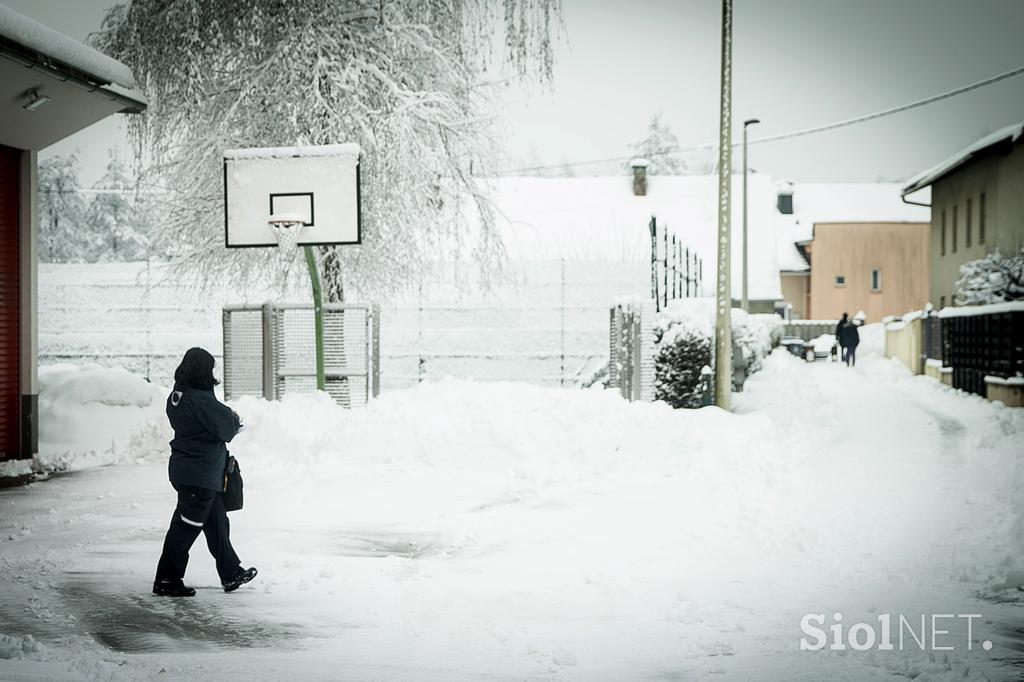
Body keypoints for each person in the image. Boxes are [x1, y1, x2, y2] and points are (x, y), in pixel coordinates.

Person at [153, 347, 257, 597]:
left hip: (190, 471)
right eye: (210, 368)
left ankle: (231, 573)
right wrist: (231, 417)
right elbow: (227, 428)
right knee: (185, 528)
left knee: (217, 522)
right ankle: (167, 579)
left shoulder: (177, 396)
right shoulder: (200, 399)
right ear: (202, 370)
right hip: (200, 475)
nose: (212, 373)